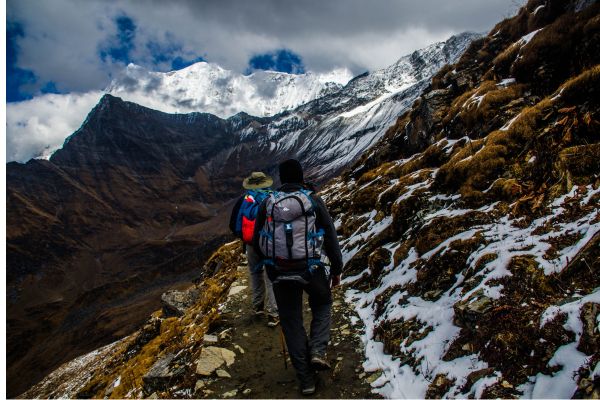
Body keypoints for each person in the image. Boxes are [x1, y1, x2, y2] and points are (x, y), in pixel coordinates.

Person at [252, 159, 343, 396]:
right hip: (311, 269)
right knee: (322, 303)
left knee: (292, 322)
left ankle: (306, 381)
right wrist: (336, 268)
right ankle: (318, 351)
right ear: (302, 176)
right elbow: (330, 236)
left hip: (280, 272)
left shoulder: (268, 203)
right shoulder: (313, 201)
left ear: (281, 179)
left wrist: (270, 268)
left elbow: (257, 240)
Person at [229, 171, 279, 327]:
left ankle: (258, 306)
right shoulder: (274, 198)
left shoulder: (244, 200)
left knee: (255, 272)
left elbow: (233, 224)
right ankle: (274, 313)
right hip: (270, 244)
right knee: (271, 276)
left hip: (251, 244)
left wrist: (245, 239)